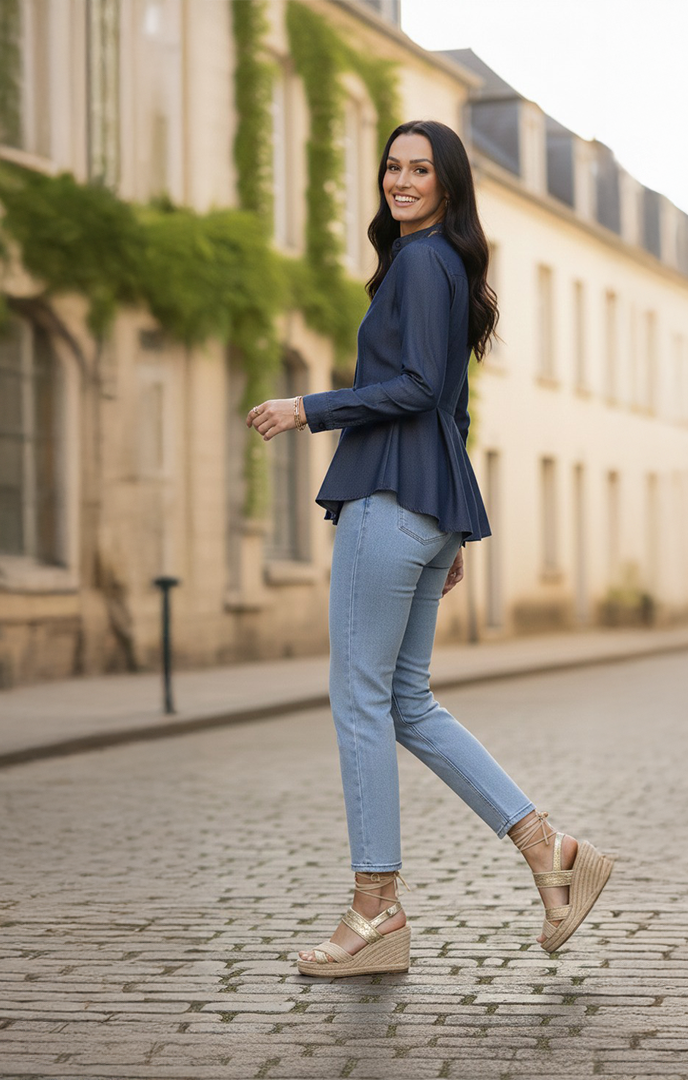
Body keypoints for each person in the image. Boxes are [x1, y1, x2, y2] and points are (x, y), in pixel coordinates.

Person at [246, 120, 613, 977]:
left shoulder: (419, 263)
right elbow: (454, 406)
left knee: (361, 699)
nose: (400, 181)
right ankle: (548, 850)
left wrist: (311, 407)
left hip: (388, 497)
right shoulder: (447, 265)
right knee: (406, 699)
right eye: (391, 167)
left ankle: (375, 911)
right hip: (426, 504)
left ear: (447, 185)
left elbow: (414, 389)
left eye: (419, 170)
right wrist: (448, 528)